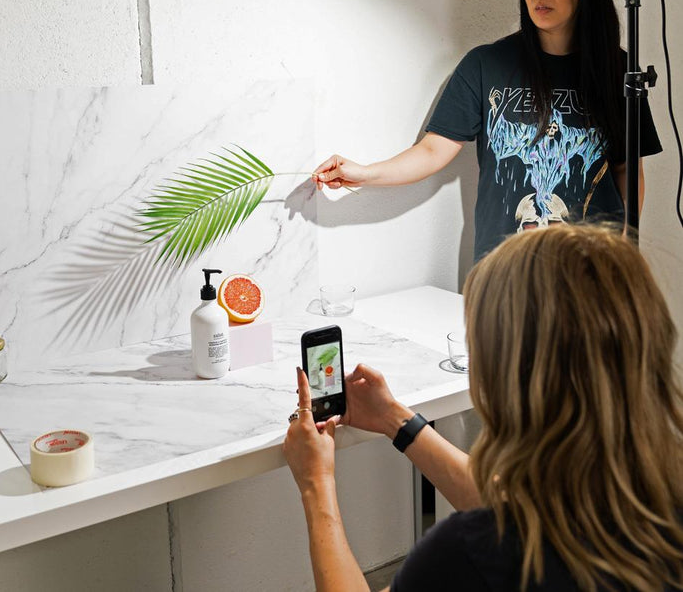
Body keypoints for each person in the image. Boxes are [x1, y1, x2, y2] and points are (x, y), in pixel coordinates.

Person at [283, 224, 683, 591]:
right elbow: (516, 512)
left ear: (508, 376)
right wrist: (395, 419)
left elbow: (502, 530)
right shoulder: (655, 503)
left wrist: (316, 483)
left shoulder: (467, 554)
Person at [312, 0, 662, 259]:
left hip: (592, 269)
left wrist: (623, 249)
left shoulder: (617, 70)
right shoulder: (486, 65)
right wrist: (364, 173)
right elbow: (433, 151)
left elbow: (627, 170)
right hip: (503, 272)